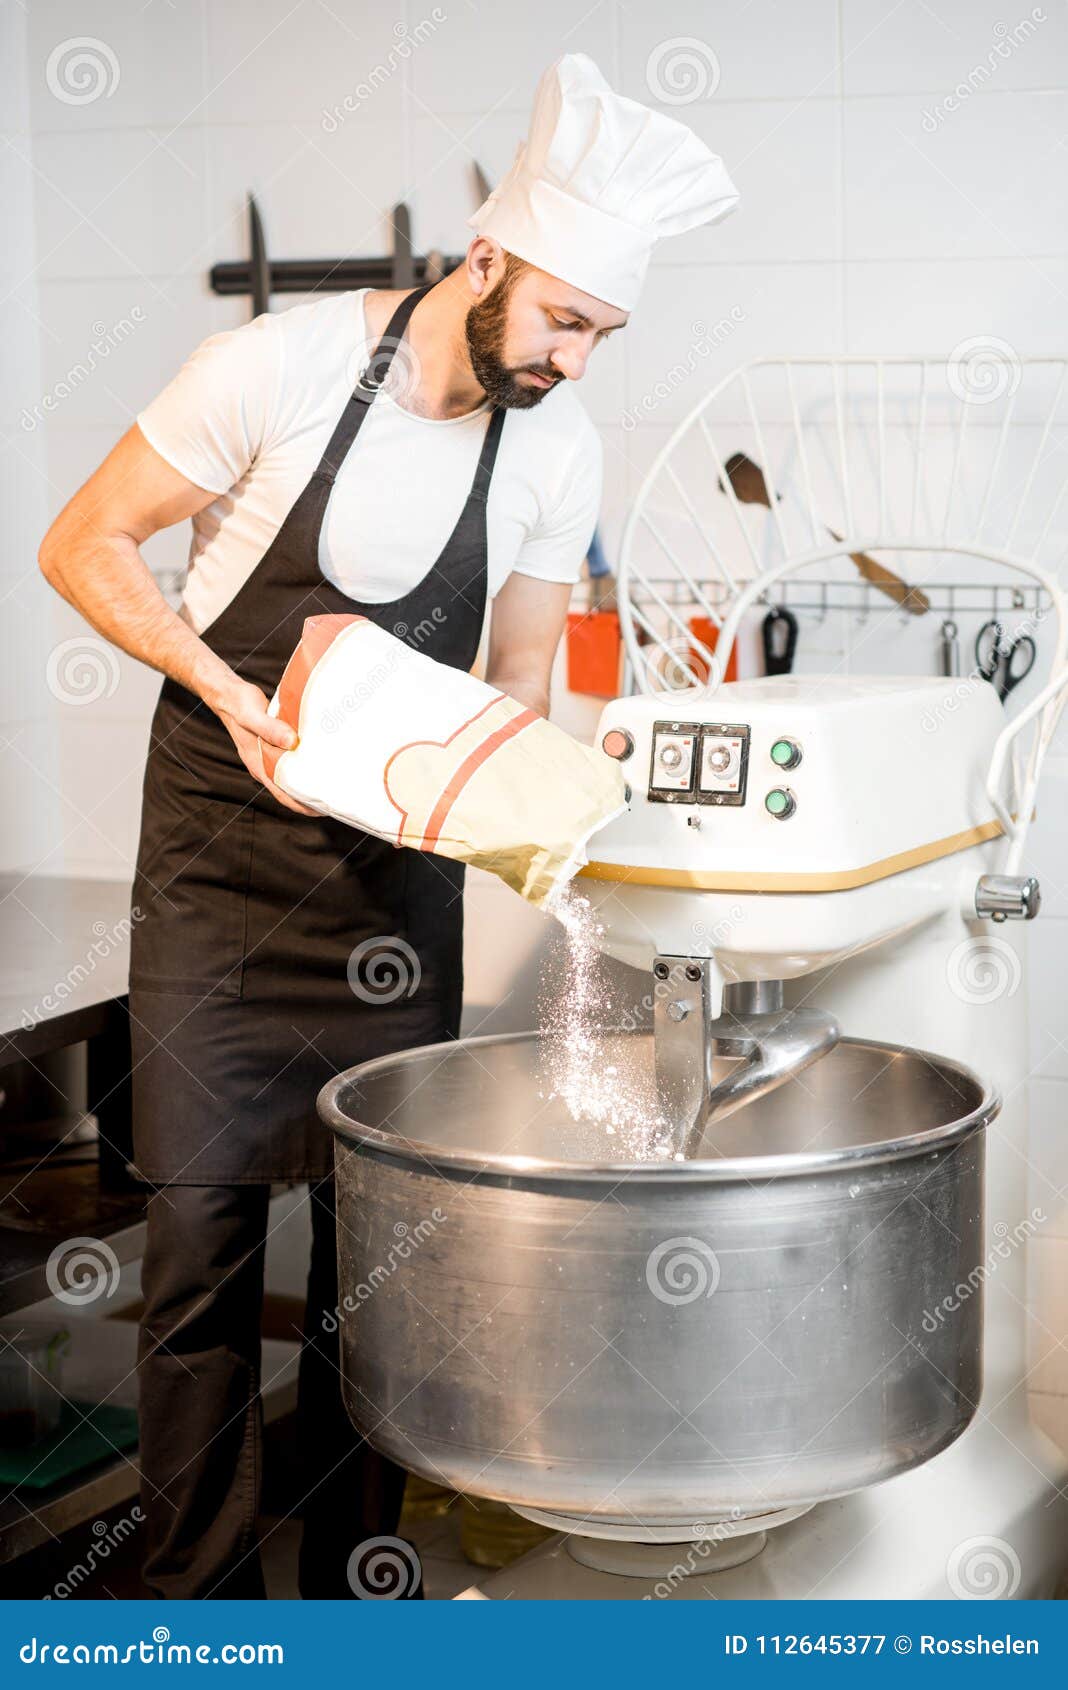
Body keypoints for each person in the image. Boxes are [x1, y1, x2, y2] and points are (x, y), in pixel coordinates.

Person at [38, 53, 738, 1600]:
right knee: (202, 1240)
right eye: (564, 319)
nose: (575, 360)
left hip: (390, 881)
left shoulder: (555, 447)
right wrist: (222, 684)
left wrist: (561, 807)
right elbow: (80, 542)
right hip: (223, 851)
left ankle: (361, 1578)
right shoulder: (272, 370)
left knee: (384, 1254)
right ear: (485, 262)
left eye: (602, 335)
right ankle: (201, 1597)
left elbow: (515, 685)